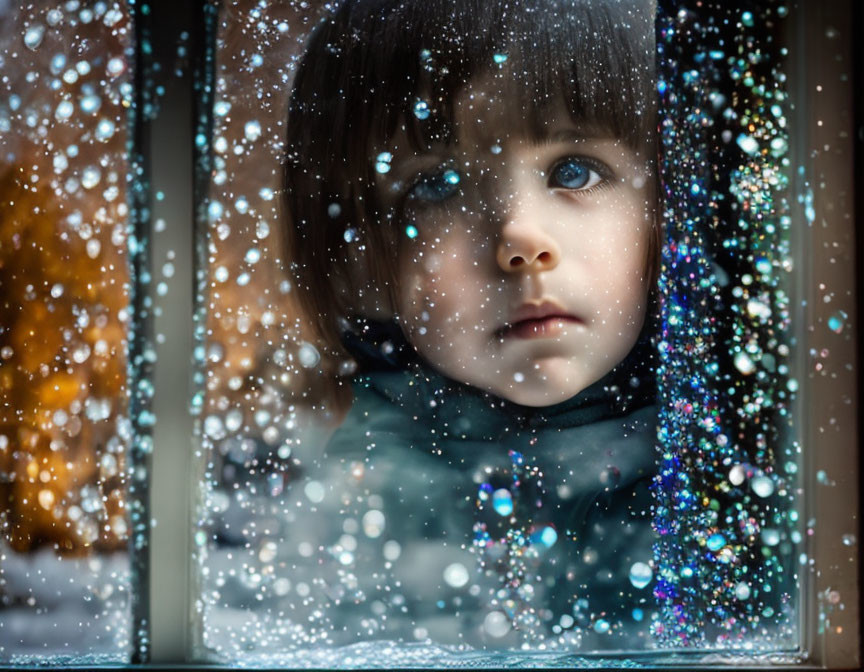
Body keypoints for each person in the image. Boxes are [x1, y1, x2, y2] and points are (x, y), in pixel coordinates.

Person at [279, 0, 660, 653]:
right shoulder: (357, 517)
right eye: (440, 184)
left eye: (574, 170)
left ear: (668, 206)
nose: (520, 240)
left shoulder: (730, 473)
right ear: (358, 253)